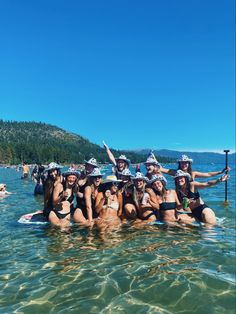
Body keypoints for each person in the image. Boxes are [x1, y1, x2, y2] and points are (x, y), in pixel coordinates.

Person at [160, 154, 230, 181]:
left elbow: (208, 174)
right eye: (182, 163)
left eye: (186, 162)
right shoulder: (175, 172)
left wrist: (221, 171)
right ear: (179, 164)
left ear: (189, 164)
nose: (184, 164)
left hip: (192, 196)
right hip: (181, 197)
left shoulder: (193, 173)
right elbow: (162, 169)